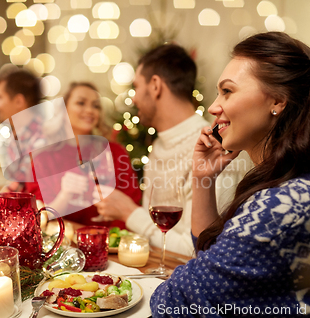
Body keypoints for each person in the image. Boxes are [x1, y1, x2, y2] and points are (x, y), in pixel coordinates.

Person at [150, 32, 310, 317]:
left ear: (277, 101)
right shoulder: (300, 181)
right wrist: (203, 177)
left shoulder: (291, 201)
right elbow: (212, 262)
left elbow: (174, 301)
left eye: (227, 91)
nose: (214, 107)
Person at [94, 44, 252, 256]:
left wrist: (129, 212)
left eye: (136, 87)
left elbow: (196, 250)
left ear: (156, 85)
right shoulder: (159, 144)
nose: (133, 98)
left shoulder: (213, 149)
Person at [25, 82, 141, 228]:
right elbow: (39, 218)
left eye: (96, 106)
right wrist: (64, 196)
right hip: (62, 244)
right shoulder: (42, 158)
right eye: (81, 103)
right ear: (64, 109)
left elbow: (131, 204)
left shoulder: (115, 153)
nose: (90, 110)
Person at [0, 70, 42, 193]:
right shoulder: (16, 135)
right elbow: (15, 185)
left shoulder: (41, 137)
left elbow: (22, 191)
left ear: (18, 101)